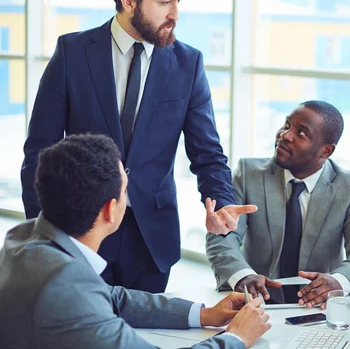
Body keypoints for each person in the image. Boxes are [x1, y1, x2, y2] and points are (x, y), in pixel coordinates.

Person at [20, 0, 255, 293]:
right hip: (80, 232)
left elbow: (208, 153)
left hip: (151, 240)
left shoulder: (188, 64)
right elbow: (40, 153)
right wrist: (43, 234)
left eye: (179, 0)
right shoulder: (72, 53)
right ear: (129, 1)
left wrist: (218, 203)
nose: (175, 13)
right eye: (165, 1)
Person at [1, 134, 270, 348]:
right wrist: (236, 337)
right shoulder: (68, 286)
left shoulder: (27, 237)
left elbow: (112, 297)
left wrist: (203, 313)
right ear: (109, 210)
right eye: (126, 189)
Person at [206, 101, 350, 308]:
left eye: (301, 133)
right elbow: (221, 236)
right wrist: (242, 276)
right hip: (255, 301)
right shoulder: (248, 173)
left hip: (319, 306)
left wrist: (339, 282)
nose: (285, 135)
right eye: (287, 125)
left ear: (325, 151)